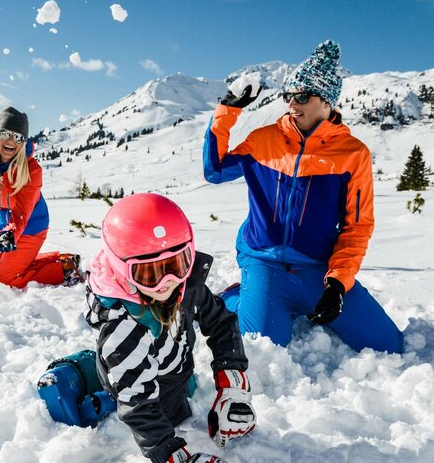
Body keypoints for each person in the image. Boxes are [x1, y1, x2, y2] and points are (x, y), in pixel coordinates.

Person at [202, 40, 403, 354]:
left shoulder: (353, 155)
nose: (292, 105)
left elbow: (357, 227)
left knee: (388, 344)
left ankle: (291, 299)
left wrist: (337, 283)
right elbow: (214, 170)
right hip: (264, 263)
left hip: (318, 269)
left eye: (302, 96)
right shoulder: (263, 140)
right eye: (288, 96)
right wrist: (227, 109)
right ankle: (239, 295)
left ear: (327, 101)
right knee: (261, 353)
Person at [85, 193, 255, 463]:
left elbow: (221, 321)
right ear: (121, 269)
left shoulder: (184, 285)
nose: (167, 281)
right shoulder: (125, 328)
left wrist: (233, 383)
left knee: (168, 382)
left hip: (172, 367)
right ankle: (100, 386)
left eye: (177, 264)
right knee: (169, 411)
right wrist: (173, 456)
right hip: (155, 393)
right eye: (149, 273)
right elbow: (140, 407)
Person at [0, 106, 82, 288]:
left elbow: (22, 211)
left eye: (18, 137)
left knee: (6, 280)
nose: (12, 141)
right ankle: (60, 259)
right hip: (3, 224)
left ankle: (64, 269)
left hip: (30, 226)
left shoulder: (32, 170)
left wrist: (11, 233)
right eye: (5, 133)